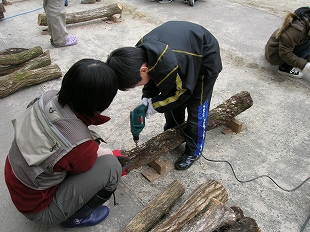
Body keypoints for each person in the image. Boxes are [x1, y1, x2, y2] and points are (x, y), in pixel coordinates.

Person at [4, 59, 123, 229]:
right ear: (102, 102)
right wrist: (100, 153)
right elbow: (83, 164)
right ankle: (76, 218)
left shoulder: (47, 97)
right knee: (111, 167)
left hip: (15, 175)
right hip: (37, 208)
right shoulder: (80, 145)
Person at [107, 21, 222, 170]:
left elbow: (183, 92)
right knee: (170, 100)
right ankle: (174, 133)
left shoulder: (172, 63)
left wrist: (154, 105)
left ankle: (194, 150)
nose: (138, 86)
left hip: (204, 59)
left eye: (136, 84)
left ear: (143, 70)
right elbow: (152, 79)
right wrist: (147, 97)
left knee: (196, 108)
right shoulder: (139, 52)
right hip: (180, 54)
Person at [265, 6, 310, 78]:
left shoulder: (307, 24)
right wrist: (305, 65)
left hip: (286, 48)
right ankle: (285, 67)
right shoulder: (297, 30)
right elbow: (285, 52)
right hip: (276, 54)